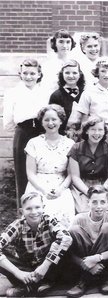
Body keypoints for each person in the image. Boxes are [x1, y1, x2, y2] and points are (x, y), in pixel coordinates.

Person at [0, 192, 72, 297]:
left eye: (37, 207)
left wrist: (45, 266)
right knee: (3, 257)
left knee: (63, 246)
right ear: (21, 211)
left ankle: (37, 285)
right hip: (26, 269)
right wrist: (17, 273)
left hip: (47, 267)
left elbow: (66, 237)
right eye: (28, 208)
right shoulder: (17, 225)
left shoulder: (49, 221)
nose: (34, 212)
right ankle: (28, 285)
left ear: (43, 208)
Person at [3, 59, 49, 206]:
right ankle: (23, 213)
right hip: (23, 133)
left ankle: (43, 209)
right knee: (22, 172)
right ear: (20, 74)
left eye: (32, 73)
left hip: (42, 132)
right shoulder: (13, 93)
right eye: (25, 73)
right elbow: (8, 122)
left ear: (39, 74)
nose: (29, 76)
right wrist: (22, 130)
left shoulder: (45, 92)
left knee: (41, 170)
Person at [25, 104, 75, 228]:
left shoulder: (70, 144)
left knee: (63, 218)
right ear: (41, 122)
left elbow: (71, 173)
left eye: (54, 119)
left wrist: (61, 189)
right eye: (46, 120)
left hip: (61, 184)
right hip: (38, 184)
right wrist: (43, 190)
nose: (50, 123)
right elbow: (30, 173)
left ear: (61, 121)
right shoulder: (33, 143)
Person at [66, 186, 108, 297]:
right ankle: (86, 277)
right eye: (94, 202)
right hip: (84, 263)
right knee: (74, 230)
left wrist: (97, 258)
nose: (99, 206)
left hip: (106, 262)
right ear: (88, 203)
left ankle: (101, 277)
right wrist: (86, 264)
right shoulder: (79, 219)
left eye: (102, 202)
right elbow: (69, 251)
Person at [68, 116, 108, 213]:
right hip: (82, 185)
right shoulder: (76, 148)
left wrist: (102, 191)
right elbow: (75, 177)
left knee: (103, 210)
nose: (97, 133)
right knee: (84, 210)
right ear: (86, 131)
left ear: (104, 132)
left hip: (102, 185)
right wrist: (88, 192)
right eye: (93, 129)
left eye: (100, 130)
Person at [75, 57, 108, 144]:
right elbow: (84, 118)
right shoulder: (88, 92)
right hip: (96, 130)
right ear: (97, 72)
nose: (107, 75)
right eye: (103, 71)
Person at [49, 59, 85, 136]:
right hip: (62, 136)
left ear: (79, 74)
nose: (71, 76)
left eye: (74, 73)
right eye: (67, 73)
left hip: (83, 137)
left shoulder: (85, 94)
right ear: (62, 74)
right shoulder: (56, 96)